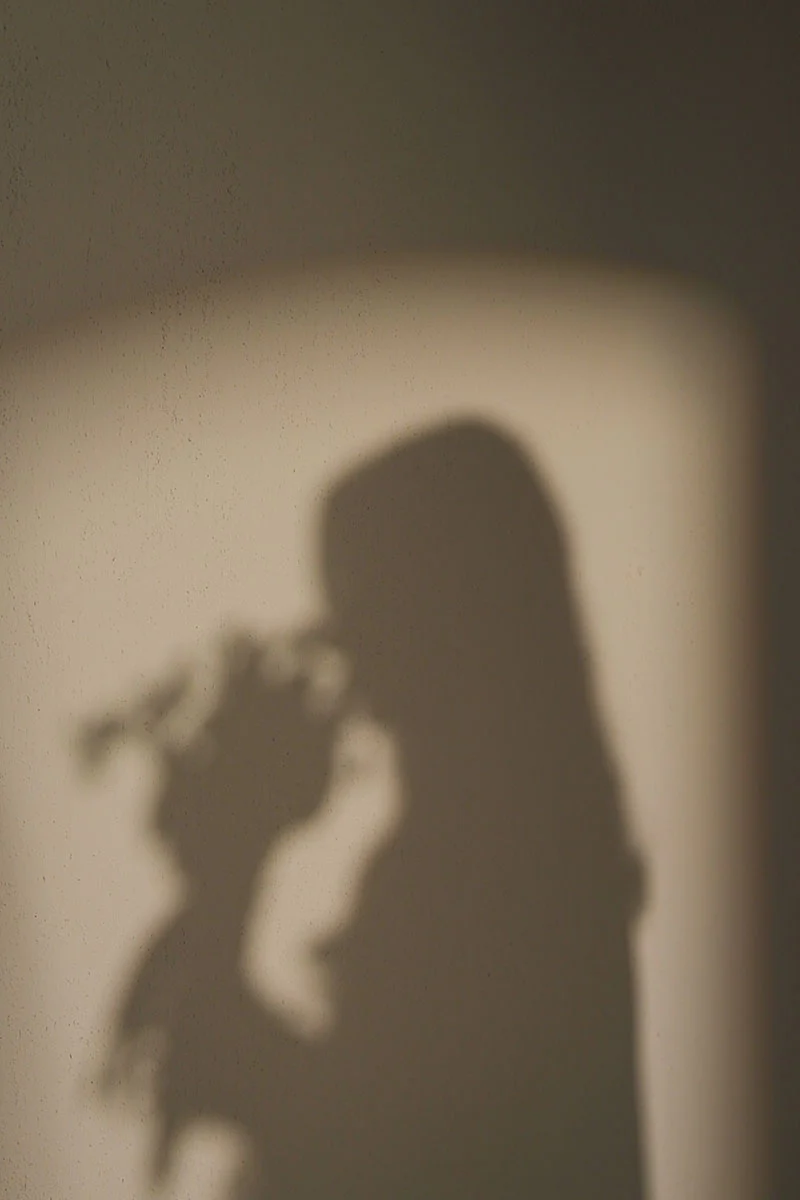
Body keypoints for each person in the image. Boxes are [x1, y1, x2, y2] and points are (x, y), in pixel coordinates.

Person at [90, 417, 647, 1199]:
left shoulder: (503, 872)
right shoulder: (498, 855)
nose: (343, 640)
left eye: (370, 600)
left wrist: (231, 864)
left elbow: (387, 1152)